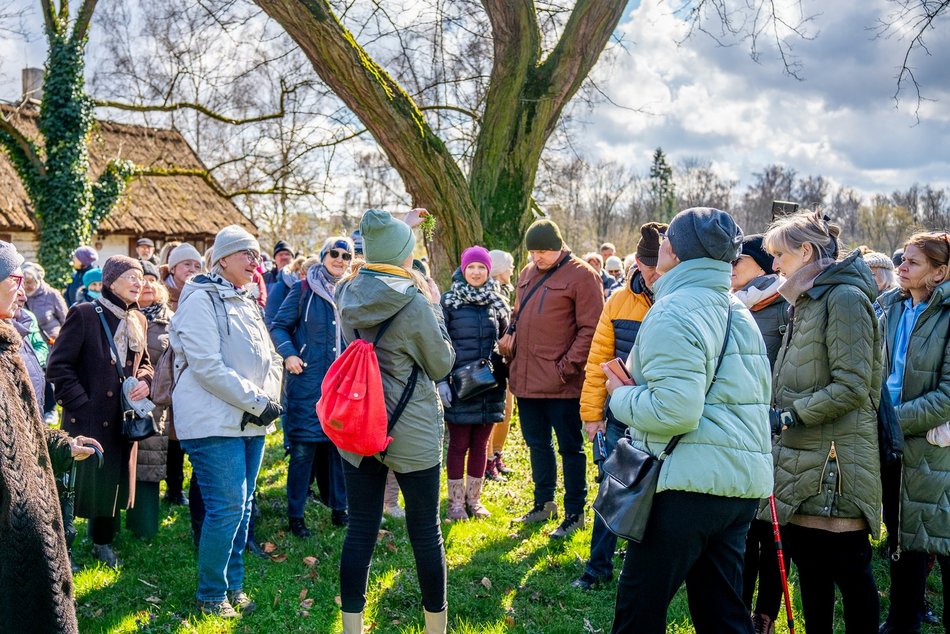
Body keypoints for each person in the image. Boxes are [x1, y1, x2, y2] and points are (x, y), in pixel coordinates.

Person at [604, 207, 773, 633]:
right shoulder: (738, 311)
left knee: (638, 611)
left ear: (675, 253)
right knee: (722, 614)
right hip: (738, 487)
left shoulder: (675, 310)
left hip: (684, 486)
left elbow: (674, 411)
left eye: (666, 240)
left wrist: (620, 395)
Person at [335, 209, 455, 634]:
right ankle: (435, 629)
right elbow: (441, 364)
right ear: (404, 255)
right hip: (412, 428)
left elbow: (378, 252)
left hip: (357, 421)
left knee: (361, 528)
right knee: (425, 529)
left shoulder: (345, 292)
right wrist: (437, 311)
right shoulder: (415, 301)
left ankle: (352, 627)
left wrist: (394, 227)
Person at [764, 210, 883, 634]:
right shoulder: (808, 301)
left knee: (850, 575)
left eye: (779, 254)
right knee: (811, 576)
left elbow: (852, 386)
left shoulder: (844, 299)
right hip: (802, 457)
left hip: (836, 465)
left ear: (807, 251)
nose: (774, 265)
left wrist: (788, 416)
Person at [168, 225, 283, 618]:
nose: (256, 262)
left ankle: (233, 585)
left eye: (257, 254)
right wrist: (257, 402)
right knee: (227, 507)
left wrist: (272, 400)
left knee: (245, 506)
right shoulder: (200, 299)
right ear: (221, 260)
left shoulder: (246, 299)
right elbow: (206, 366)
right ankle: (211, 594)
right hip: (213, 420)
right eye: (246, 254)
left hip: (250, 419)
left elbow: (270, 357)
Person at [0, 241, 101, 634]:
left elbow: (22, 426)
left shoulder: (11, 344)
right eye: (15, 279)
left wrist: (61, 445)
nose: (24, 291)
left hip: (28, 520)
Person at [573, 221, 666, 591]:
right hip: (619, 417)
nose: (655, 273)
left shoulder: (682, 300)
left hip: (664, 416)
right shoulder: (618, 300)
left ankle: (647, 568)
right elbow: (599, 361)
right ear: (638, 265)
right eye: (648, 265)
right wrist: (592, 415)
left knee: (661, 496)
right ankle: (597, 567)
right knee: (612, 489)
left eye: (661, 264)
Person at [47, 256, 153, 569]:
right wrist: (82, 402)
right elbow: (58, 366)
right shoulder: (83, 314)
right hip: (88, 418)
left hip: (123, 416)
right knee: (78, 485)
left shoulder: (139, 320)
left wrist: (145, 382)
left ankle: (102, 542)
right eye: (132, 277)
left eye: (141, 278)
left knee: (113, 481)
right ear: (110, 281)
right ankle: (63, 549)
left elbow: (144, 361)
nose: (139, 283)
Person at [507, 219, 604, 538]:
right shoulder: (526, 274)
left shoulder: (582, 275)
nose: (537, 257)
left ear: (560, 246)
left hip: (563, 384)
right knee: (537, 445)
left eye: (543, 251)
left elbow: (592, 329)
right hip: (526, 380)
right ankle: (543, 503)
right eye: (533, 251)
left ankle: (575, 512)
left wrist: (566, 367)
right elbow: (517, 316)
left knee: (570, 449)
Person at [878, 232, 950, 634]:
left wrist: (891, 420)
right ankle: (902, 619)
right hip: (891, 441)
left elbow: (947, 395)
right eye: (902, 260)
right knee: (901, 533)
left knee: (938, 535)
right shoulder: (890, 308)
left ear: (939, 273)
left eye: (913, 263)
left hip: (932, 444)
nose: (901, 268)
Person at [270, 237, 354, 536]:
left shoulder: (351, 292)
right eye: (335, 253)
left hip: (342, 386)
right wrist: (290, 353)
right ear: (323, 256)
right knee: (304, 449)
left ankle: (340, 509)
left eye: (346, 256)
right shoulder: (303, 288)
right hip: (308, 383)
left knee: (339, 449)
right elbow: (278, 325)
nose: (340, 260)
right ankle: (296, 515)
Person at [731, 234, 791, 633]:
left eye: (742, 259)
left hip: (772, 429)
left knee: (769, 530)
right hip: (736, 426)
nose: (733, 264)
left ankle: (765, 613)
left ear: (764, 265)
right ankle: (735, 608)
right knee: (741, 529)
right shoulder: (732, 305)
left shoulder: (785, 308)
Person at [437, 246, 510, 520]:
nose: (476, 272)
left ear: (488, 270)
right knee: (458, 444)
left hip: (490, 384)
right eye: (472, 267)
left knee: (481, 444)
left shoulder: (497, 302)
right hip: (460, 385)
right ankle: (455, 504)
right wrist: (442, 380)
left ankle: (474, 500)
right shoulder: (449, 302)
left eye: (481, 267)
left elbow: (506, 341)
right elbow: (440, 344)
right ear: (463, 269)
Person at [125, 263, 172, 540]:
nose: (147, 285)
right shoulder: (122, 315)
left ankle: (143, 526)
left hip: (154, 401)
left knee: (149, 463)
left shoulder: (170, 320)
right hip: (122, 399)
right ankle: (106, 526)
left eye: (153, 280)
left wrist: (154, 389)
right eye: (142, 280)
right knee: (122, 461)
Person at [486, 249, 516, 480]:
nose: (512, 270)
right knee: (493, 414)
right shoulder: (489, 293)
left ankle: (497, 453)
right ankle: (486, 462)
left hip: (507, 362)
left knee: (507, 411)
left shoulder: (507, 291)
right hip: (492, 362)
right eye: (509, 265)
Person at [161, 243, 203, 311]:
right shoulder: (158, 295)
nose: (192, 270)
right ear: (172, 269)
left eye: (197, 267)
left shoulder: (202, 294)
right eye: (187, 264)